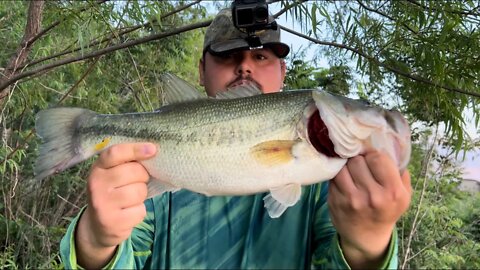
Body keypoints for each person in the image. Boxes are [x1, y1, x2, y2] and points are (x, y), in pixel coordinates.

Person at [60, 8, 411, 269]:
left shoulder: (336, 188)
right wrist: (94, 242)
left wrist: (368, 246)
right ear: (201, 70)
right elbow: (123, 251)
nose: (246, 68)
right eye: (229, 56)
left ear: (282, 71)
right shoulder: (145, 182)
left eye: (261, 57)